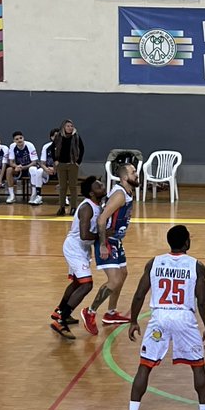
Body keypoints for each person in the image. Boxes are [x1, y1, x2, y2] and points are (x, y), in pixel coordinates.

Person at [119, 224, 205, 410]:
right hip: (184, 317)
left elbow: (139, 294)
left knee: (144, 366)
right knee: (198, 367)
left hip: (160, 317)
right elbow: (202, 301)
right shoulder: (196, 266)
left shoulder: (153, 263)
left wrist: (133, 320)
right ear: (187, 243)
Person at [81, 162, 138, 334]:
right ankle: (90, 312)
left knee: (123, 274)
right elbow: (101, 219)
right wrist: (104, 245)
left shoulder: (128, 191)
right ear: (124, 178)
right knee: (113, 280)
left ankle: (111, 313)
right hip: (107, 241)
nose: (136, 174)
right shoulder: (120, 195)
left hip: (116, 240)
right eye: (133, 172)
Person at [50, 176, 107, 339]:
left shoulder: (97, 205)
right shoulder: (87, 208)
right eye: (98, 186)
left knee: (77, 283)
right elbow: (84, 235)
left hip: (81, 249)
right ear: (91, 192)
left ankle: (60, 312)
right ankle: (60, 321)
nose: (102, 187)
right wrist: (102, 236)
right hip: (75, 247)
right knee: (86, 284)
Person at [53, 119, 85, 216]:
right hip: (61, 164)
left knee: (73, 186)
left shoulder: (76, 137)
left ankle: (74, 207)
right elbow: (52, 148)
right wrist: (55, 160)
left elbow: (82, 149)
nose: (70, 128)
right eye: (68, 126)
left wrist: (78, 162)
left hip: (72, 164)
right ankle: (62, 207)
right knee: (62, 187)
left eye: (71, 126)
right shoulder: (58, 137)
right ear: (63, 127)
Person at [28, 128, 60, 206]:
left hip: (60, 170)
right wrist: (46, 169)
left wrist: (56, 168)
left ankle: (64, 197)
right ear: (51, 137)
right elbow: (42, 163)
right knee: (39, 171)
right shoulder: (46, 147)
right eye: (55, 136)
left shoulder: (65, 146)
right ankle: (38, 195)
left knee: (65, 171)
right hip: (48, 171)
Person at [7, 131, 38, 205]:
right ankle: (11, 195)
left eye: (20, 138)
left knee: (33, 170)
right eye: (17, 139)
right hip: (19, 168)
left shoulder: (30, 145)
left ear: (23, 138)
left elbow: (34, 162)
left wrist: (24, 167)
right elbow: (11, 162)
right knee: (9, 170)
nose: (19, 140)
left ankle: (33, 195)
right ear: (14, 141)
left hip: (29, 167)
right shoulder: (12, 146)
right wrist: (16, 166)